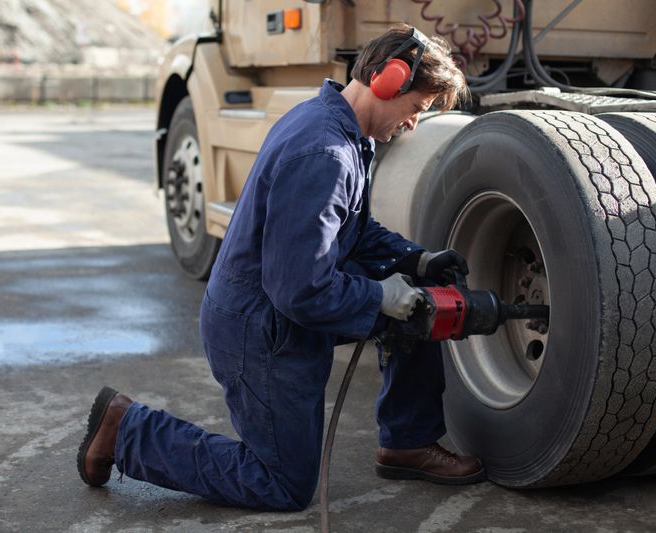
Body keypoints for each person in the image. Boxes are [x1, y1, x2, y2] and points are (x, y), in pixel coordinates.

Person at [77, 24, 482, 511]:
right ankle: (127, 430)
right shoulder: (324, 153)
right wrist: (380, 297)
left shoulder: (342, 129)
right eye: (415, 109)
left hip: (283, 310)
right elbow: (301, 290)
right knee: (282, 483)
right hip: (262, 331)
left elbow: (351, 229)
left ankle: (407, 441)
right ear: (386, 81)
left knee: (423, 295)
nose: (413, 123)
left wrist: (417, 259)